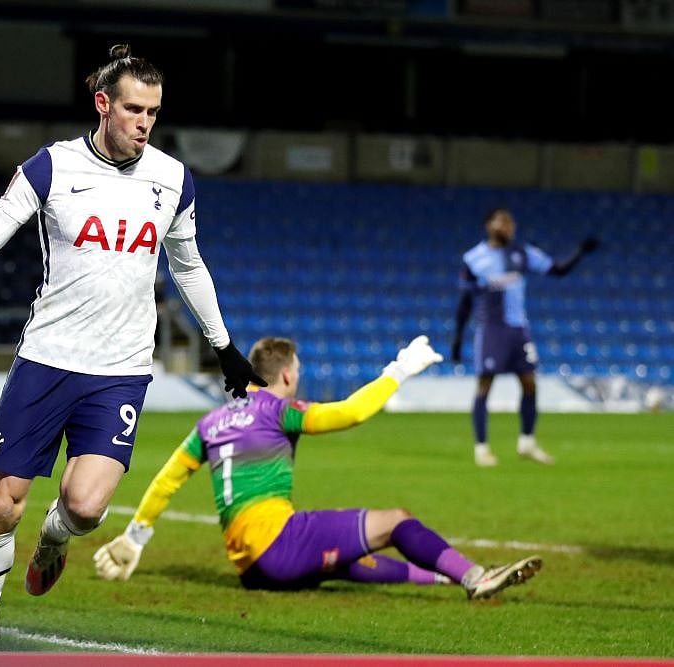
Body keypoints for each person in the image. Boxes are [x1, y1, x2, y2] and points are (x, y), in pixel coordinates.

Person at [0, 44, 266, 654]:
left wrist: (225, 346)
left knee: (85, 509)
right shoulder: (50, 168)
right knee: (3, 505)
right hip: (48, 361)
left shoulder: (172, 179)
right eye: (134, 109)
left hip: (121, 371)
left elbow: (189, 267)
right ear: (103, 104)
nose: (145, 122)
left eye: (153, 112)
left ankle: (54, 540)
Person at [94, 336, 542, 599]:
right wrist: (398, 371)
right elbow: (349, 413)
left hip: (252, 571)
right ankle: (474, 577)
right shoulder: (277, 411)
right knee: (397, 522)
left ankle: (442, 575)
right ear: (286, 375)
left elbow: (169, 478)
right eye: (298, 370)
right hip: (281, 546)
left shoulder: (211, 422)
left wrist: (136, 535)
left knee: (348, 560)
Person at [452, 209, 599, 467]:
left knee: (530, 384)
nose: (507, 226)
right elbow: (465, 299)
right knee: (485, 385)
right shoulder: (474, 258)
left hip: (519, 330)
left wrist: (579, 252)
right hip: (492, 329)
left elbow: (557, 269)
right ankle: (482, 448)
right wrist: (458, 338)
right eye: (502, 221)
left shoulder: (522, 253)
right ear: (488, 224)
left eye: (511, 222)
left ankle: (527, 443)